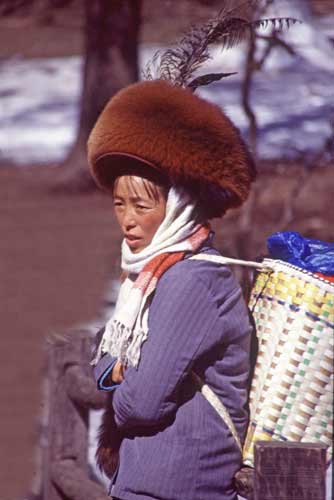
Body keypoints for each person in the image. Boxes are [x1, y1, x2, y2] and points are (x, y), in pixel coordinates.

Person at [87, 76, 256, 500]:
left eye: (142, 205)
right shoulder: (150, 277)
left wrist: (121, 379)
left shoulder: (192, 281)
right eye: (119, 203)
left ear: (181, 206)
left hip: (180, 487)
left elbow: (140, 404)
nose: (127, 220)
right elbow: (102, 364)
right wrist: (121, 372)